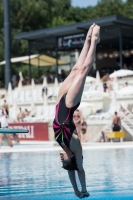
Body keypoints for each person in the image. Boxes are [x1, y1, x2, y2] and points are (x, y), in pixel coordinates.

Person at [53, 23, 100, 198]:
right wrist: (84, 190)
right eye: (64, 163)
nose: (61, 161)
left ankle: (87, 39)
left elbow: (70, 171)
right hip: (70, 104)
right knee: (82, 71)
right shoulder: (75, 148)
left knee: (75, 68)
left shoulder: (61, 145)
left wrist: (75, 191)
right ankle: (95, 40)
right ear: (70, 159)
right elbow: (78, 170)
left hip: (59, 102)